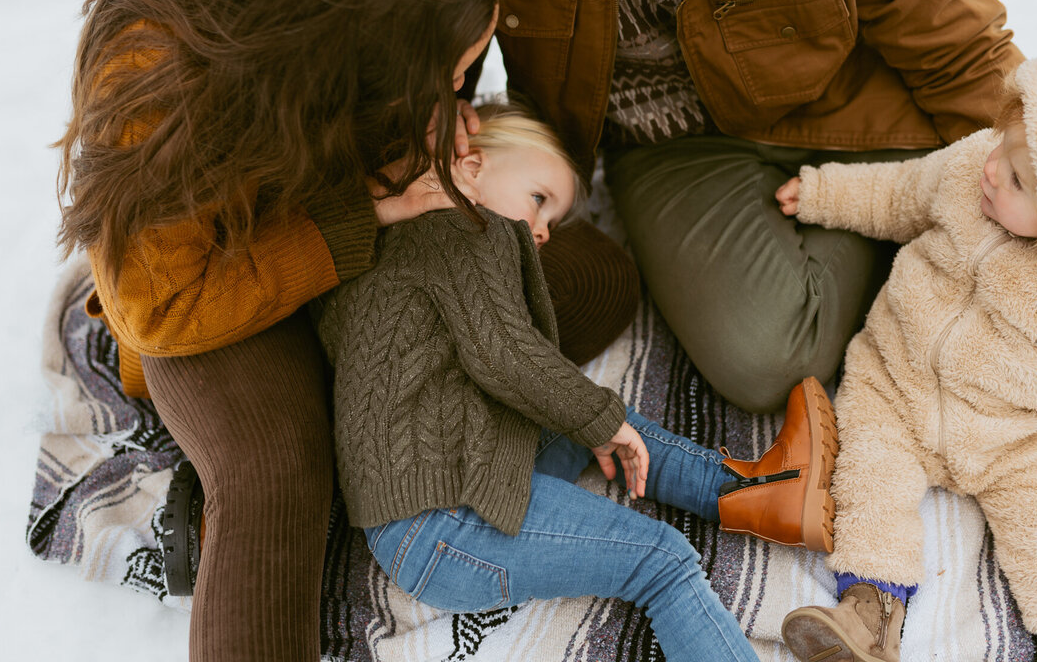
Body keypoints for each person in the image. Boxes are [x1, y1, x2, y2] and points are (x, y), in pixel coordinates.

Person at [52, 0, 506, 658]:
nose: (465, 84)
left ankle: (327, 422)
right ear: (353, 59)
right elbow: (158, 309)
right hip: (207, 297)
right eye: (452, 70)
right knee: (277, 474)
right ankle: (225, 487)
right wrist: (358, 215)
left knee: (572, 284)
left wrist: (447, 123)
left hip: (332, 209)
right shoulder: (154, 77)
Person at [428, 0, 1025, 420]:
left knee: (1028, 246)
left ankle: (910, 212)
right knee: (764, 359)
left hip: (863, 116)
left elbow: (964, 51)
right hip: (672, 145)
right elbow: (420, 27)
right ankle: (913, 229)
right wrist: (432, 116)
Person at [314, 101, 839, 661]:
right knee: (660, 557)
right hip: (446, 525)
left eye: (552, 221)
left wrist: (592, 421)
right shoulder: (463, 231)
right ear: (470, 166)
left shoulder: (387, 247)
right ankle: (754, 496)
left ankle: (758, 495)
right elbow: (509, 356)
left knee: (582, 423)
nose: (541, 231)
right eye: (540, 200)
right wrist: (599, 418)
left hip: (427, 516)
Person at [773, 23, 1037, 662]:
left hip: (1016, 435)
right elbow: (898, 191)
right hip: (894, 384)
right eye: (1001, 146)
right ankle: (868, 615)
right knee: (867, 482)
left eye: (1016, 179)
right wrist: (824, 192)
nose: (991, 169)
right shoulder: (969, 169)